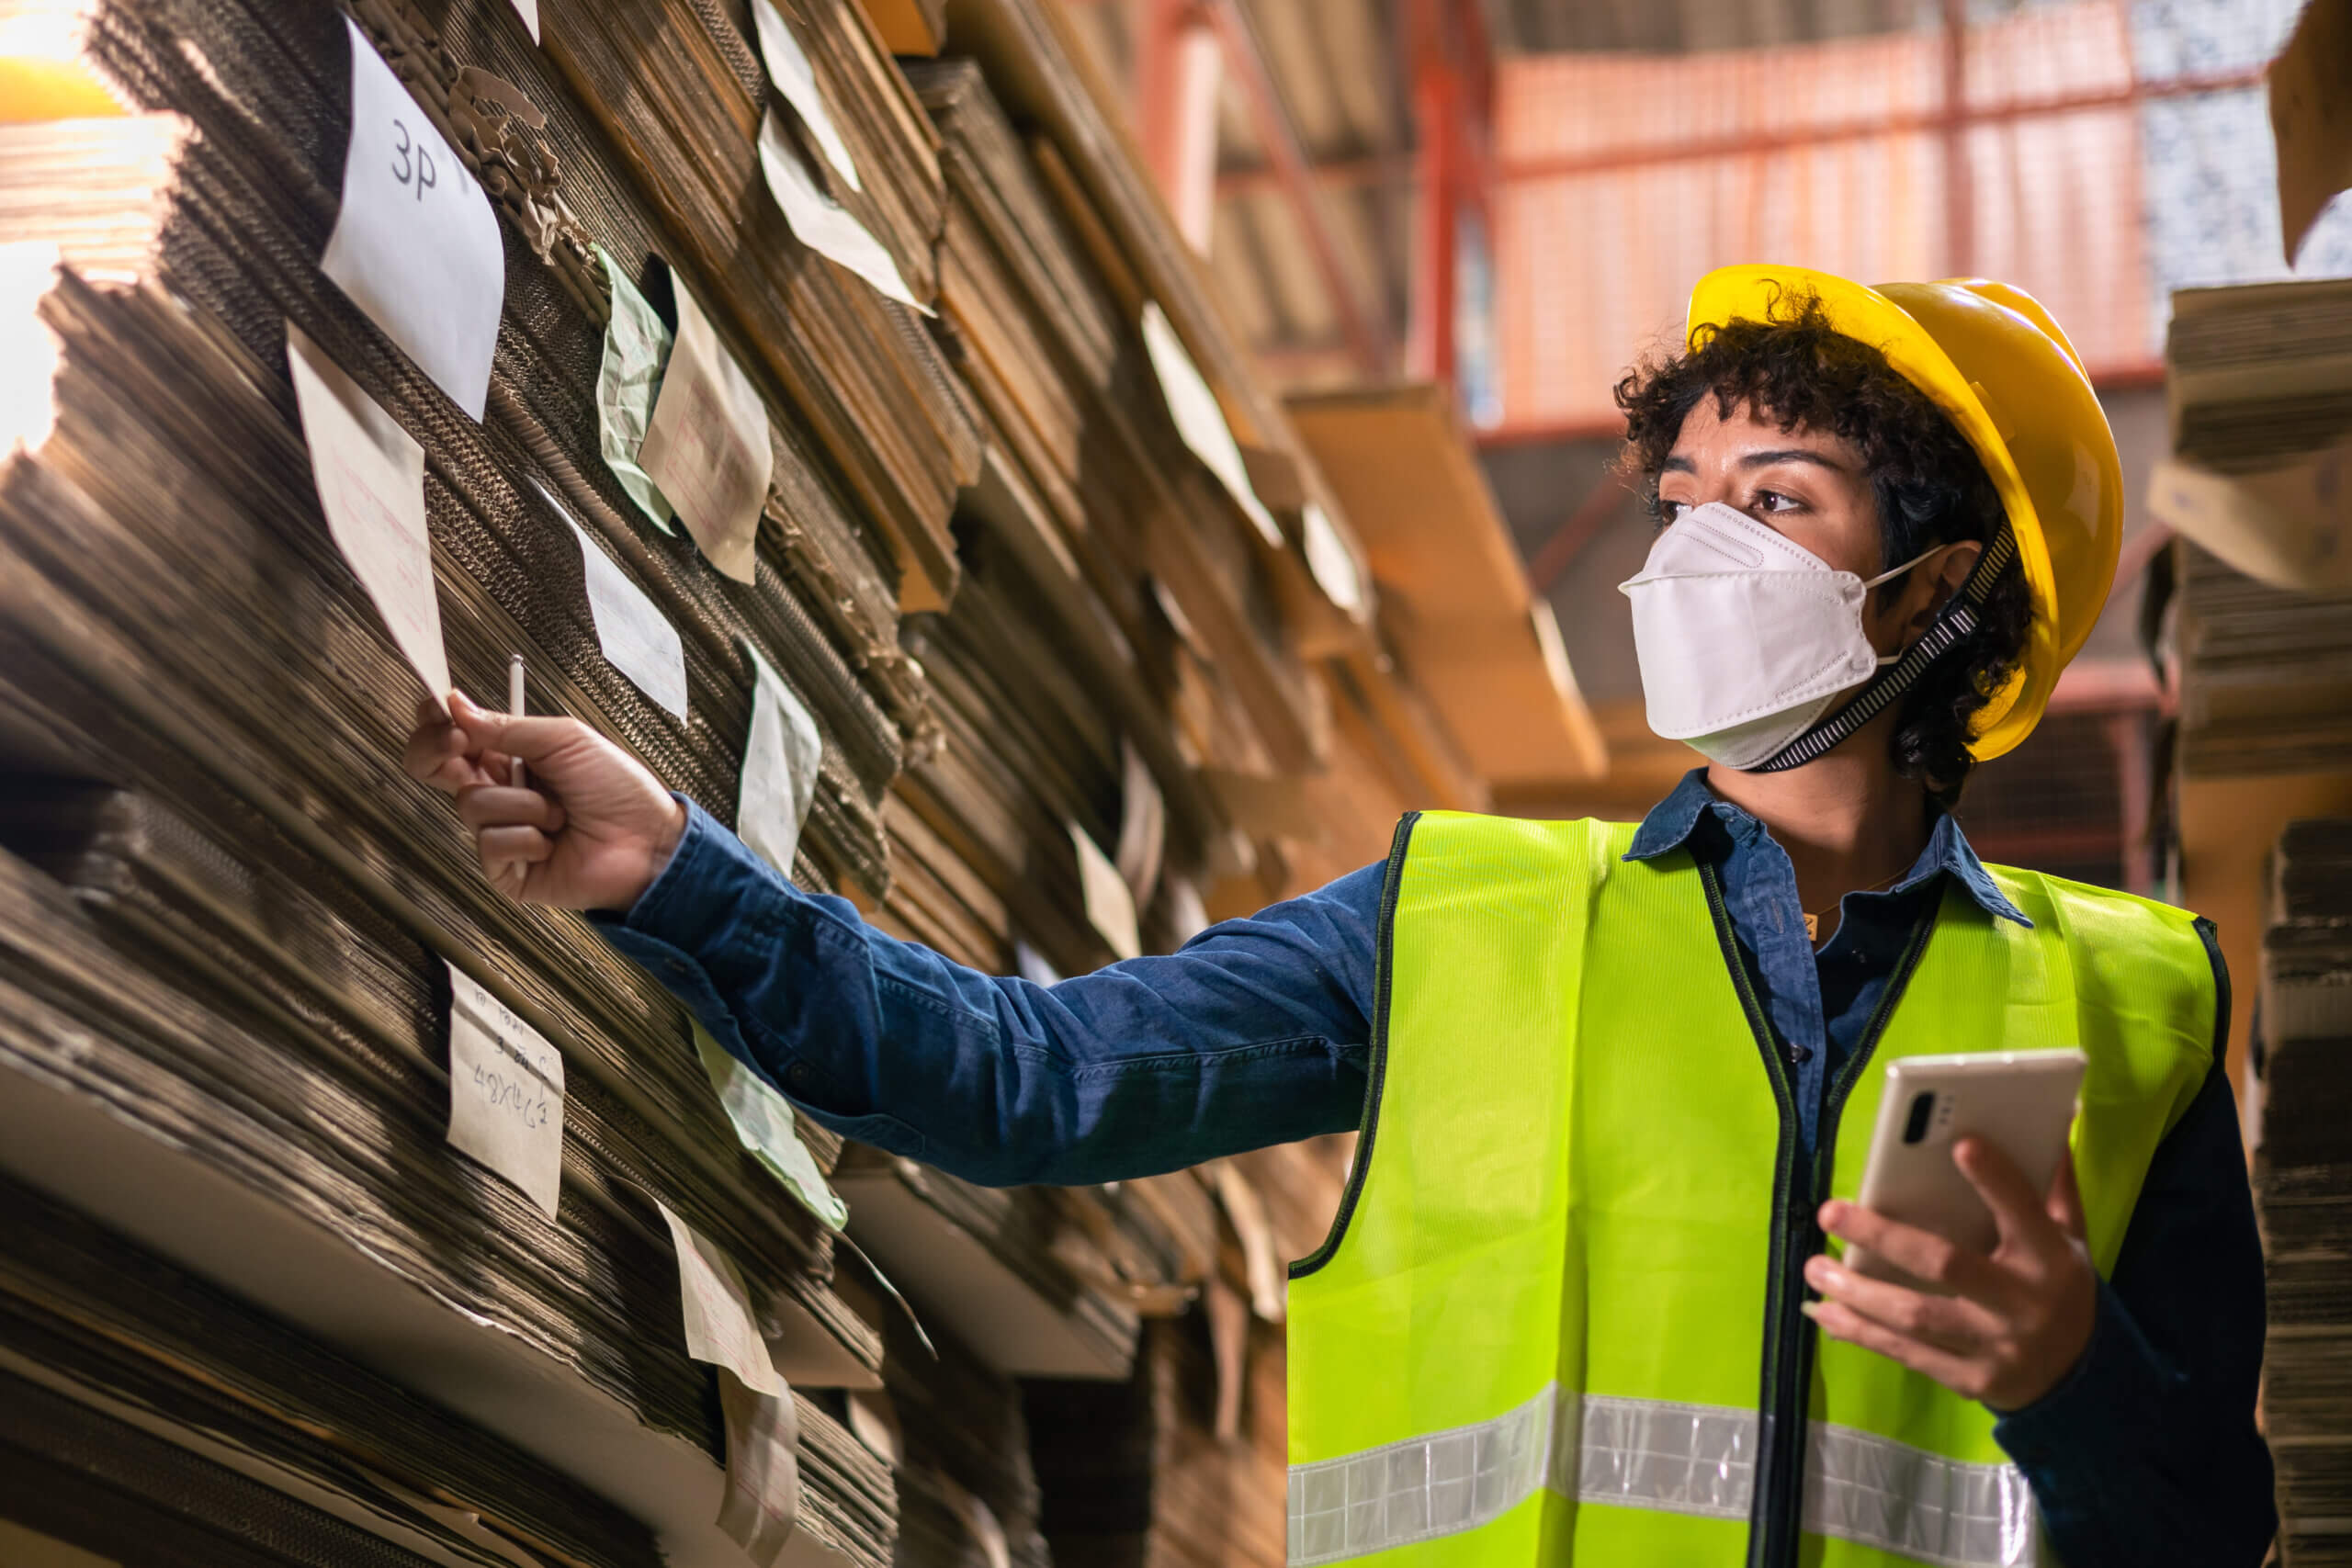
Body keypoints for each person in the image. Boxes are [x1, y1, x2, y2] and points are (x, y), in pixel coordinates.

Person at [404, 266, 2273, 1567]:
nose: (1691, 547)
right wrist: (676, 871)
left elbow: (2202, 1536)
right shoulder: (1461, 918)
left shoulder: (2135, 1003)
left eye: (1774, 500)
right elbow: (1020, 1080)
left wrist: (2062, 1380)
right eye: (1680, 491)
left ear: (1935, 597)